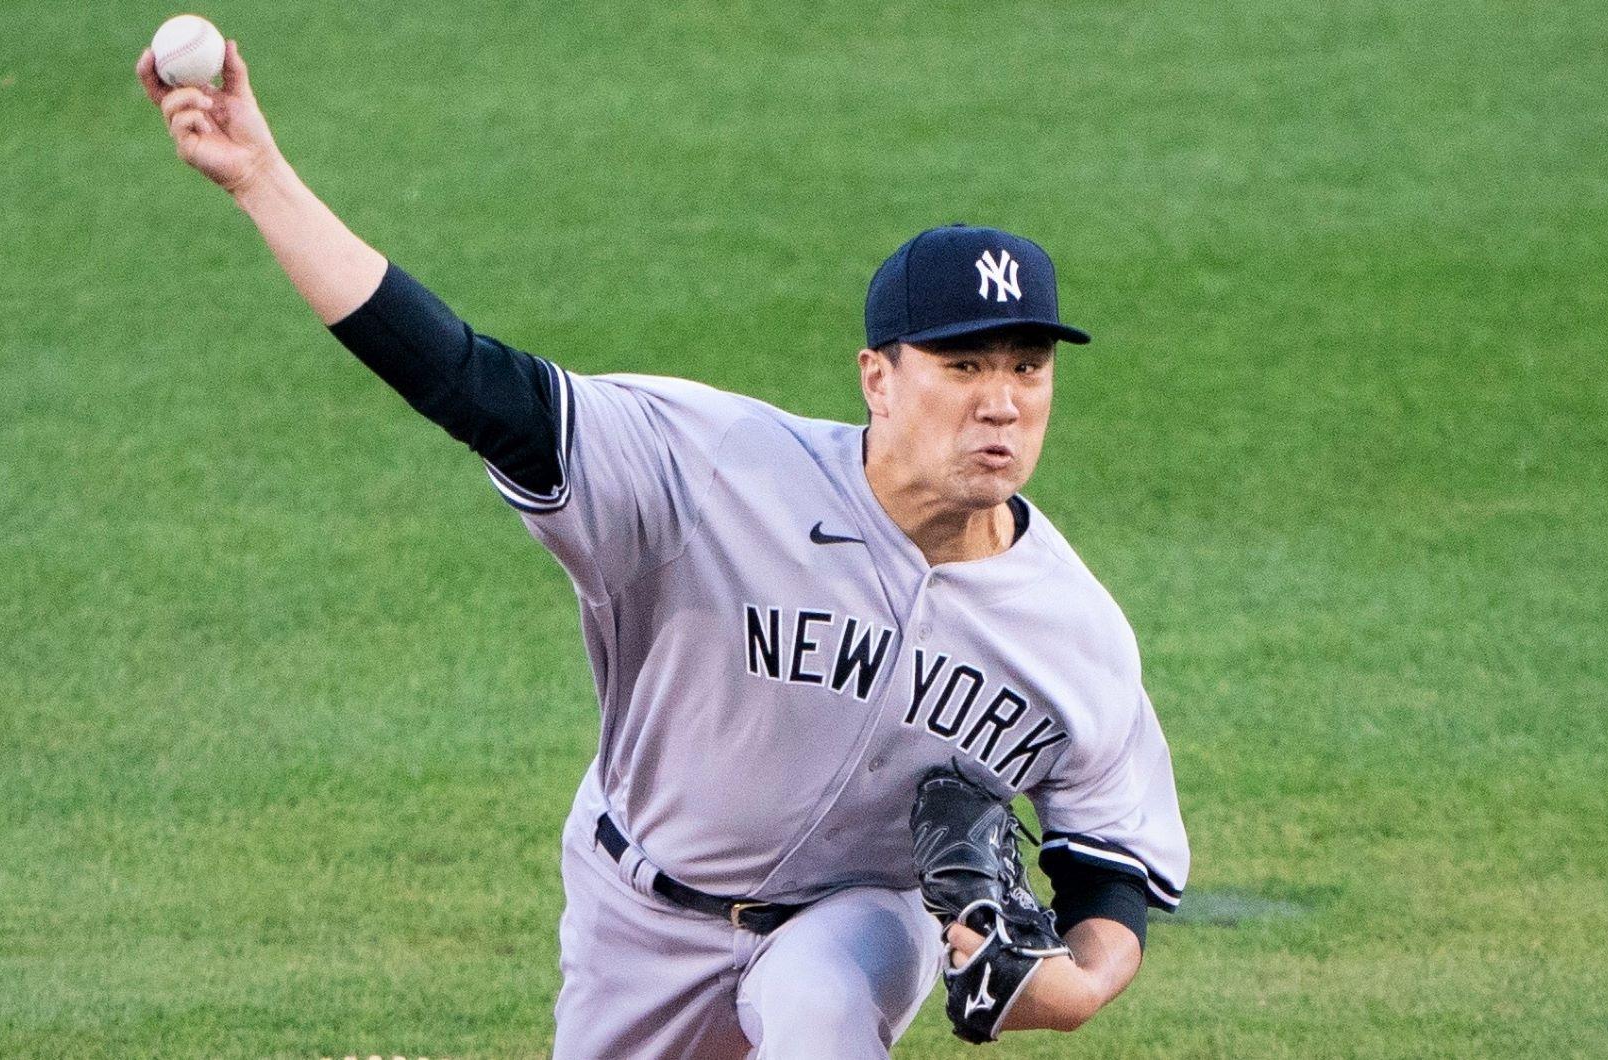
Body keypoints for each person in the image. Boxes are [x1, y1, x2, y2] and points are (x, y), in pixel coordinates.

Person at [138, 41, 1189, 1059]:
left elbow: (1109, 860)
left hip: (853, 914)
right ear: (878, 377)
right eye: (962, 366)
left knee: (825, 1005)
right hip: (636, 903)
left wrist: (1081, 983)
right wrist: (261, 177)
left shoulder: (1073, 632)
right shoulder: (713, 470)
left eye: (1026, 365)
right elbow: (467, 379)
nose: (1001, 401)